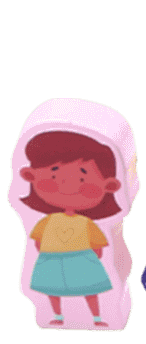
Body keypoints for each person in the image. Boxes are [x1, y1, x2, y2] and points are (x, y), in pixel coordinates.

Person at [19, 130, 122, 327]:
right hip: (52, 259)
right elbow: (38, 240)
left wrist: (91, 257)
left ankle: (97, 318)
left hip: (80, 258)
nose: (67, 183)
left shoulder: (85, 222)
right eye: (54, 174)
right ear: (30, 175)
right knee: (52, 289)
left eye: (83, 178)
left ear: (109, 185)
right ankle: (58, 317)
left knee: (90, 288)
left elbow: (98, 245)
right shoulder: (48, 220)